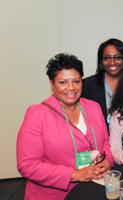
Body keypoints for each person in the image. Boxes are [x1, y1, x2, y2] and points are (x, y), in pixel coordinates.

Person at [17, 53, 113, 200]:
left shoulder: (93, 107)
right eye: (63, 82)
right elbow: (27, 165)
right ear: (52, 84)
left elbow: (105, 143)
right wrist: (75, 174)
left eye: (76, 81)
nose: (71, 88)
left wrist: (107, 160)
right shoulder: (37, 113)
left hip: (94, 188)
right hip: (55, 195)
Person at [82, 38, 123, 129]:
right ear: (101, 62)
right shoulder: (86, 85)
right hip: (98, 140)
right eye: (107, 58)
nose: (112, 62)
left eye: (117, 57)